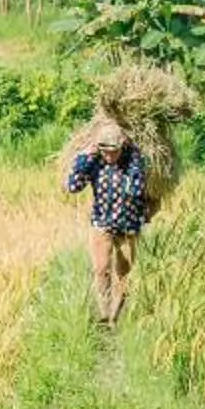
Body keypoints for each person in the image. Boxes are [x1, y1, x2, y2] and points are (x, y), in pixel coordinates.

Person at [63, 116, 148, 326]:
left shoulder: (133, 160)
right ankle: (103, 313)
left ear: (123, 146)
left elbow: (136, 190)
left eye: (114, 151)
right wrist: (84, 157)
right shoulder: (94, 161)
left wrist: (132, 157)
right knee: (101, 269)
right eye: (105, 151)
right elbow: (73, 186)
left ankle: (115, 318)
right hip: (101, 223)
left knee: (123, 273)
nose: (109, 156)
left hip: (129, 226)